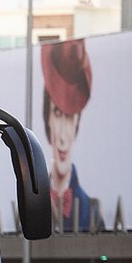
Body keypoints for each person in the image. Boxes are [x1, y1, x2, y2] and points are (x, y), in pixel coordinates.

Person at [42, 39, 93, 232]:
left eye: (70, 117)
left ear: (77, 123)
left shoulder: (92, 211)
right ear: (47, 118)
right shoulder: (31, 202)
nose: (63, 137)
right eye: (57, 113)